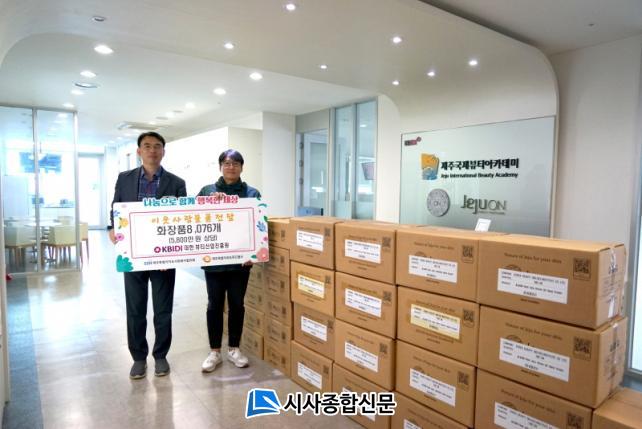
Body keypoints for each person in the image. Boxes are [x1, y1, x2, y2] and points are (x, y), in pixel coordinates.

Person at [109, 131, 187, 379]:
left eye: (157, 146)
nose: (152, 150)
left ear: (163, 151)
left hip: (164, 257)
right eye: (147, 146)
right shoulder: (124, 178)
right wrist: (112, 227)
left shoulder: (176, 183)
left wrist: (171, 255)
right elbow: (115, 207)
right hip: (133, 254)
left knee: (163, 309)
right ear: (139, 151)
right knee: (135, 309)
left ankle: (161, 355)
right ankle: (138, 358)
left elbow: (182, 219)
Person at [199, 149, 261, 372]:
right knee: (214, 305)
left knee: (237, 305)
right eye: (226, 163)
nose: (231, 167)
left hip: (240, 263)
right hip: (214, 262)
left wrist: (254, 253)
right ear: (220, 167)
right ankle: (214, 351)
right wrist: (209, 204)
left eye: (235, 163)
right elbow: (197, 221)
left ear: (242, 167)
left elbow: (258, 225)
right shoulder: (207, 191)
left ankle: (234, 348)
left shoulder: (252, 193)